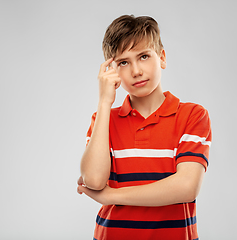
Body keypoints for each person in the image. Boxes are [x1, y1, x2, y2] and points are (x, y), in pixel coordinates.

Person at [77, 14, 212, 240]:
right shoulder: (103, 120)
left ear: (162, 58)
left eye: (143, 56)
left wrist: (111, 196)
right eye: (123, 62)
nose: (136, 71)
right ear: (112, 72)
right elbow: (93, 180)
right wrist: (104, 102)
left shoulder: (192, 115)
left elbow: (186, 187)